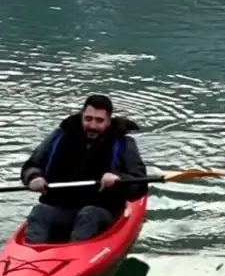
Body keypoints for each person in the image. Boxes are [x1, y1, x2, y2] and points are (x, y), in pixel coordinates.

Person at [19, 94, 148, 244]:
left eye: (99, 120)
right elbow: (31, 166)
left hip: (102, 211)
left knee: (88, 215)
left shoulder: (123, 143)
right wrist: (34, 177)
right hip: (62, 208)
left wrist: (119, 179)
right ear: (81, 116)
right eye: (88, 119)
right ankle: (32, 253)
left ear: (108, 122)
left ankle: (74, 254)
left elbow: (140, 183)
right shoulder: (60, 136)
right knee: (40, 211)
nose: (92, 125)